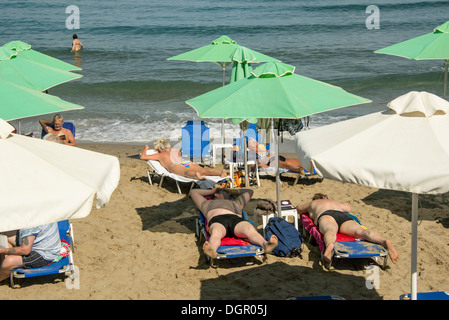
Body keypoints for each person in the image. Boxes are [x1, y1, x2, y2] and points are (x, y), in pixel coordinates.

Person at [296, 193, 399, 268]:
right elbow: (349, 208)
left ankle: (330, 245)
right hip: (343, 216)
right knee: (361, 232)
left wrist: (309, 209)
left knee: (330, 230)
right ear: (325, 197)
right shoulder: (334, 202)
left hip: (326, 214)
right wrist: (338, 204)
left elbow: (299, 209)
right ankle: (383, 241)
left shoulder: (313, 203)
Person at [190, 187, 278, 259]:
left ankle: (265, 244)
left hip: (235, 219)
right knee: (216, 232)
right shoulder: (206, 203)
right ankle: (212, 250)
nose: (227, 192)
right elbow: (193, 192)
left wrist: (231, 191)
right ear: (216, 194)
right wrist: (213, 190)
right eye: (223, 191)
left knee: (249, 228)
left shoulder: (236, 202)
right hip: (217, 220)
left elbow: (249, 191)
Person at [140, 139, 226, 180]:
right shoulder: (175, 150)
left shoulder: (160, 154)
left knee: (186, 173)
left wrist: (146, 148)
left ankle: (196, 176)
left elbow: (143, 157)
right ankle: (220, 173)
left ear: (161, 148)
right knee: (203, 170)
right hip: (185, 162)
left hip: (175, 165)